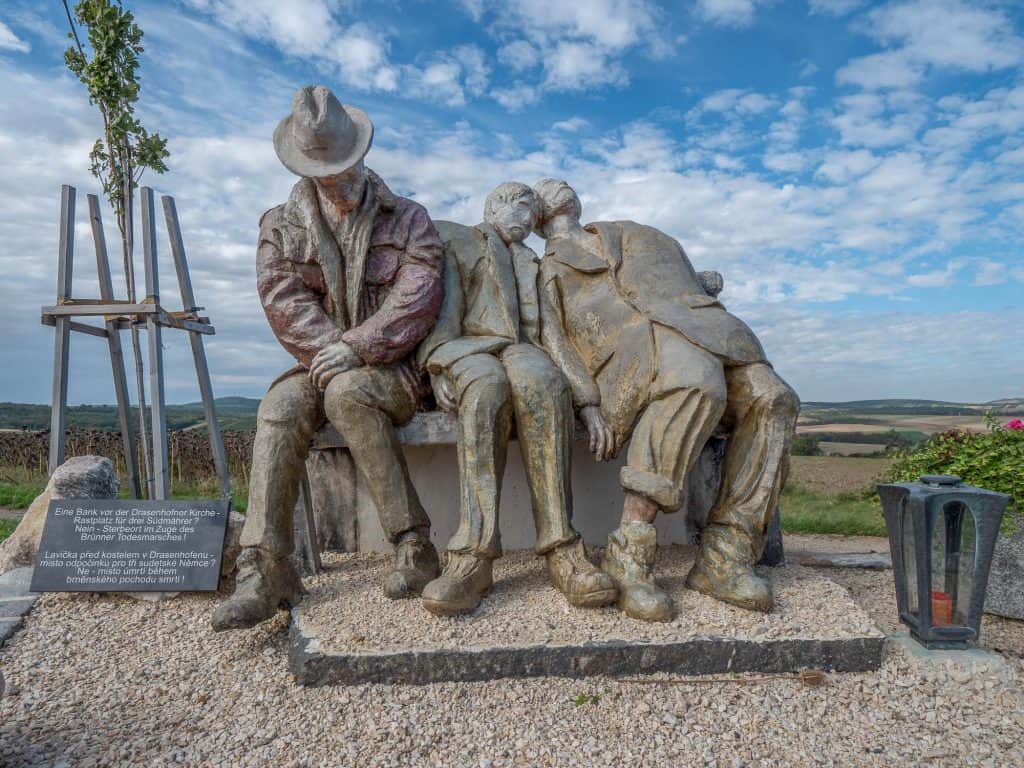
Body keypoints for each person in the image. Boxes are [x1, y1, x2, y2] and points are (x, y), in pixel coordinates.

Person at [212, 86, 445, 631]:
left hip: (393, 367)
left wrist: (357, 346)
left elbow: (420, 291)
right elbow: (281, 298)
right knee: (280, 404)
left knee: (348, 391)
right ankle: (267, 570)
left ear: (361, 155)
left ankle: (413, 545)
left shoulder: (408, 219)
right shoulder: (280, 225)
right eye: (323, 172)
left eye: (343, 168)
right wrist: (329, 351)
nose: (335, 181)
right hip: (319, 361)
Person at [533, 178, 799, 621]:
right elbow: (552, 338)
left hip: (705, 336)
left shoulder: (634, 232)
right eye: (544, 187)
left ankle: (725, 554)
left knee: (774, 398)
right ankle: (629, 553)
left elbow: (680, 281)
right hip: (630, 368)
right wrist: (586, 402)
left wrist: (701, 284)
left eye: (561, 182)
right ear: (537, 218)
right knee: (696, 381)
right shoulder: (547, 271)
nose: (557, 184)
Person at [415, 182, 617, 615]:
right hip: (466, 348)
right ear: (495, 205)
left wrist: (587, 400)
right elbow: (436, 306)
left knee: (544, 385)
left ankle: (562, 548)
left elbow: (553, 335)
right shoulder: (459, 239)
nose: (529, 219)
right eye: (522, 208)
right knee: (487, 390)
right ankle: (474, 554)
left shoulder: (533, 262)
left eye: (534, 213)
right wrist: (437, 366)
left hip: (523, 349)